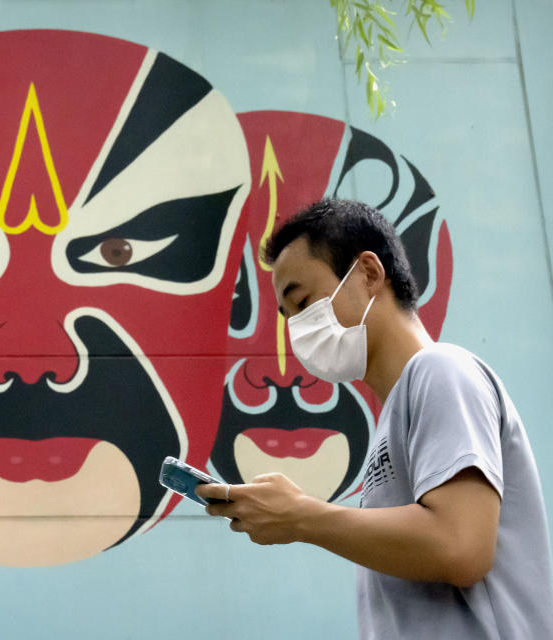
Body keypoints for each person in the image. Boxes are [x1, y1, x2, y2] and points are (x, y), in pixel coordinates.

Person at [196, 199, 553, 639]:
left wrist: (303, 517)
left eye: (303, 301)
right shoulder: (396, 416)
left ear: (368, 273)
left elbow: (461, 547)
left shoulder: (441, 370)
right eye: (289, 317)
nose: (298, 329)